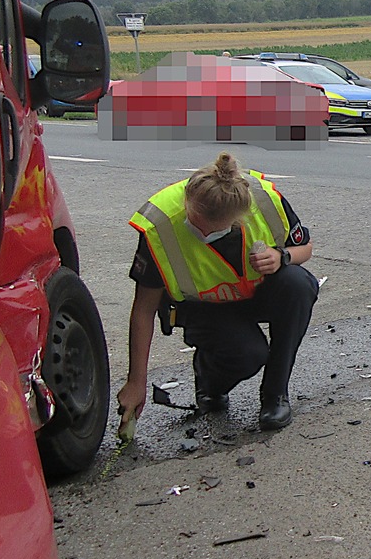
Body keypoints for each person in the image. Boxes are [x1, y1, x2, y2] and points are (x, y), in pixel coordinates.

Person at [116, 152, 318, 433]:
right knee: (250, 354)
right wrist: (135, 382)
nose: (200, 233)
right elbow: (143, 309)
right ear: (188, 202)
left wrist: (281, 256)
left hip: (255, 295)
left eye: (212, 230)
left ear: (238, 219)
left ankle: (275, 395)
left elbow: (305, 249)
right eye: (195, 223)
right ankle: (210, 378)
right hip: (205, 309)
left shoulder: (264, 200)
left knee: (298, 284)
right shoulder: (161, 225)